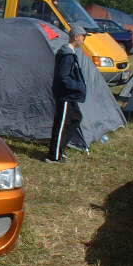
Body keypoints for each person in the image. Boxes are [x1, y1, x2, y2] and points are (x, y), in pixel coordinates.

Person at [46, 23, 87, 163]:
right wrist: (77, 87)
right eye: (83, 37)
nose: (84, 40)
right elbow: (63, 77)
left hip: (70, 95)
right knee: (61, 124)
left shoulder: (69, 53)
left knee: (76, 119)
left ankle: (60, 149)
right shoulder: (67, 55)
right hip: (65, 94)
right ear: (76, 37)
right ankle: (54, 156)